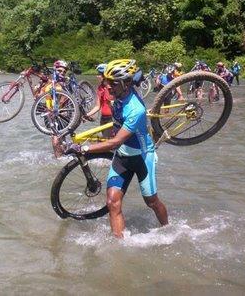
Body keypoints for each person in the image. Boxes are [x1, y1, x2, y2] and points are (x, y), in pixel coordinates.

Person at [58, 59, 168, 238]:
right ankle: (119, 246)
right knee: (112, 202)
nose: (108, 87)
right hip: (122, 157)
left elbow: (115, 142)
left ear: (126, 84)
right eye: (106, 82)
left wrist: (83, 148)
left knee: (151, 202)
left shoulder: (136, 110)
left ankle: (168, 230)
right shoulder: (120, 92)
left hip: (142, 158)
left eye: (113, 84)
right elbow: (136, 74)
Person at [84, 64, 114, 138]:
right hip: (103, 118)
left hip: (112, 118)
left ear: (105, 75)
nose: (97, 76)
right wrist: (87, 115)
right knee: (105, 138)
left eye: (99, 74)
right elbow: (97, 106)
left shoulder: (113, 88)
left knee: (108, 140)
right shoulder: (100, 88)